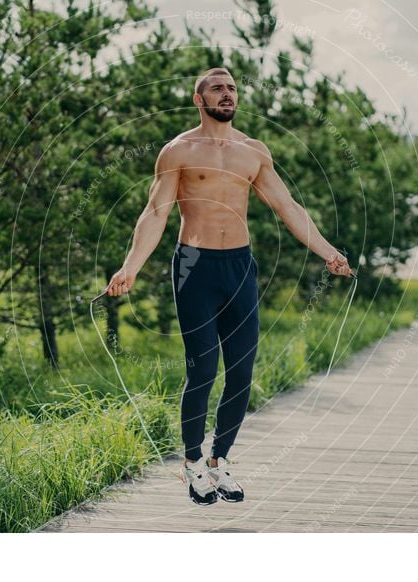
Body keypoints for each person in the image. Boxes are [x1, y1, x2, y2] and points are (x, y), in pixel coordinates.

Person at [104, 66, 354, 506]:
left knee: (241, 372)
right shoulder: (177, 151)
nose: (227, 93)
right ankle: (193, 463)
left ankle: (220, 461)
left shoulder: (254, 152)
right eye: (217, 88)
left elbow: (286, 205)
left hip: (239, 265)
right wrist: (131, 267)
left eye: (232, 88)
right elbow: (156, 212)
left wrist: (328, 251)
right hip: (194, 266)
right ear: (199, 99)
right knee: (202, 369)